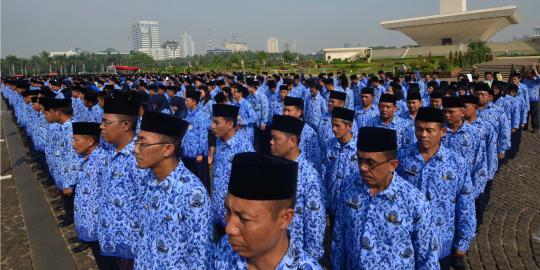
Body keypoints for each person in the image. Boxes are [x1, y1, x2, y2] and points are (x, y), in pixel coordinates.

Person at [332, 127, 439, 269]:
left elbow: (427, 258)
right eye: (359, 160)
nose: (363, 168)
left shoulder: (414, 201)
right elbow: (339, 236)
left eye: (370, 163)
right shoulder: (348, 186)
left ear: (392, 165)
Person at [397, 107, 476, 269]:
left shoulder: (457, 164)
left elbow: (466, 205)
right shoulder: (401, 158)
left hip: (440, 243)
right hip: (405, 242)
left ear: (442, 131)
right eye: (419, 129)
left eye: (429, 130)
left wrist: (462, 243)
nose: (423, 135)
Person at [213, 152, 322, 269]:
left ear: (284, 218)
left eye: (244, 218)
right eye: (229, 211)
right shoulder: (225, 248)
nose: (229, 228)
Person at [133, 111, 213, 269]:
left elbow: (200, 258)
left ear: (168, 149)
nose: (135, 149)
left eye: (143, 144)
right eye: (136, 142)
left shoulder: (192, 193)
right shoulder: (147, 180)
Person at [99, 97, 150, 269]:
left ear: (125, 125)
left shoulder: (139, 158)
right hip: (114, 239)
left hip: (132, 246)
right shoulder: (112, 151)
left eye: (106, 122)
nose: (101, 127)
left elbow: (147, 205)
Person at [269, 114, 326, 260]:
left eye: (276, 139)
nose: (270, 142)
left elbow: (315, 222)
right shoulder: (273, 167)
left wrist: (310, 260)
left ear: (292, 141)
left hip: (296, 255)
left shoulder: (309, 176)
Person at [71, 122, 116, 269]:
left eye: (76, 140)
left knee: (107, 262)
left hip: (99, 223)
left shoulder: (102, 160)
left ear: (90, 141)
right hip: (88, 220)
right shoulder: (85, 158)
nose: (73, 144)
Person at [211, 104, 254, 229]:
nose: (212, 127)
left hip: (234, 220)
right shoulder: (220, 141)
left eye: (216, 123)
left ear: (230, 124)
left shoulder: (244, 148)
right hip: (217, 213)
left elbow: (250, 185)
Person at [442, 97, 489, 201]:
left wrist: (474, 192)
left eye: (451, 112)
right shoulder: (438, 132)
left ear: (462, 112)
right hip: (441, 188)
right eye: (444, 111)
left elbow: (481, 163)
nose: (447, 115)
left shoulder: (474, 133)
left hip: (466, 188)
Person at [322, 107, 359, 213]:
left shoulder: (358, 148)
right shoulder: (330, 144)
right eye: (332, 125)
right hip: (332, 201)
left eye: (338, 126)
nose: (333, 129)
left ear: (349, 126)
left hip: (350, 204)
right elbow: (325, 171)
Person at [182, 89, 211, 193]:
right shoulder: (188, 114)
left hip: (198, 155)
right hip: (188, 153)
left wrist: (200, 153)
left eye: (187, 100)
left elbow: (203, 136)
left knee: (201, 180)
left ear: (194, 101)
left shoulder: (201, 116)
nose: (185, 103)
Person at [283, 96, 322, 172]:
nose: (285, 113)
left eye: (288, 110)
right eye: (284, 110)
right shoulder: (281, 128)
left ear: (299, 112)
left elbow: (314, 160)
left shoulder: (309, 132)